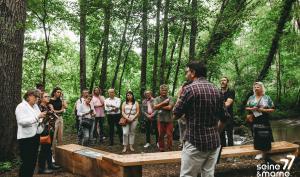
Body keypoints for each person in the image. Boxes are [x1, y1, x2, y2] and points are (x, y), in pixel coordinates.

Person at [173, 61, 226, 177]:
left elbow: (175, 114)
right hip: (214, 142)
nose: (186, 75)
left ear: (193, 73)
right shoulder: (217, 90)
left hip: (195, 142)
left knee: (187, 175)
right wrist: (216, 132)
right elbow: (225, 118)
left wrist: (179, 96)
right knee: (208, 174)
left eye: (187, 72)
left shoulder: (188, 89)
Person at [15, 89, 46, 177]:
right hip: (25, 138)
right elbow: (22, 122)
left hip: (35, 136)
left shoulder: (35, 106)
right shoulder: (21, 106)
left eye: (38, 97)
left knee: (33, 161)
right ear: (29, 96)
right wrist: (37, 117)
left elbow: (39, 119)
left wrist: (43, 119)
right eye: (35, 97)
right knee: (27, 162)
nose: (37, 99)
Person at [245, 82, 275, 160]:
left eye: (257, 87)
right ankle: (259, 152)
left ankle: (265, 153)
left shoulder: (267, 97)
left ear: (262, 88)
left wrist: (263, 110)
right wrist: (252, 109)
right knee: (256, 135)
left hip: (264, 119)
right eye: (255, 87)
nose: (255, 88)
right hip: (254, 119)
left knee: (265, 135)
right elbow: (246, 107)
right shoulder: (251, 97)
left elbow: (272, 109)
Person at [37, 92, 60, 174]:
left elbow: (54, 116)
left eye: (48, 96)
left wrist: (52, 110)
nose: (48, 97)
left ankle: (50, 165)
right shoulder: (39, 107)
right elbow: (40, 120)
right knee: (44, 149)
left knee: (48, 148)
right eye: (45, 96)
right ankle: (41, 168)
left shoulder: (48, 106)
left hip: (50, 129)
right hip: (43, 130)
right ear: (41, 98)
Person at [154, 85, 174, 152]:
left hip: (169, 119)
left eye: (165, 90)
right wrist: (164, 103)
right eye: (162, 90)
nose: (164, 92)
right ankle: (161, 148)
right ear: (160, 91)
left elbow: (170, 107)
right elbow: (154, 107)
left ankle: (170, 148)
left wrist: (159, 106)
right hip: (160, 119)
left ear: (167, 91)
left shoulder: (170, 98)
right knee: (160, 135)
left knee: (169, 135)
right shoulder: (156, 99)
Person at [49, 87, 67, 159]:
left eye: (60, 92)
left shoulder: (61, 100)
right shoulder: (50, 100)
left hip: (60, 118)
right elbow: (52, 111)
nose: (59, 93)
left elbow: (65, 107)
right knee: (53, 137)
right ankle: (52, 154)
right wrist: (61, 110)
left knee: (60, 136)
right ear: (54, 92)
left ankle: (59, 154)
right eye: (58, 92)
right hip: (53, 119)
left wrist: (62, 99)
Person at [220, 77, 235, 147]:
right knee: (221, 135)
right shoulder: (218, 91)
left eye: (224, 80)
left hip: (229, 116)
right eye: (221, 80)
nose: (222, 82)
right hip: (220, 117)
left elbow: (227, 104)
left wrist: (217, 106)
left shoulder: (231, 91)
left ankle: (231, 153)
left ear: (227, 82)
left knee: (229, 135)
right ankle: (223, 152)